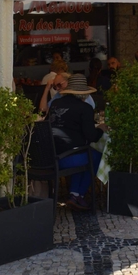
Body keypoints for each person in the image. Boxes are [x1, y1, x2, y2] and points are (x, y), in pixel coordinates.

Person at [47, 73, 105, 209]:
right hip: (68, 159)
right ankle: (79, 194)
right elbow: (91, 137)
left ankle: (74, 194)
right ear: (84, 93)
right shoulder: (85, 108)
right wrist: (101, 129)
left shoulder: (55, 104)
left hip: (50, 156)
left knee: (81, 151)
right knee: (95, 156)